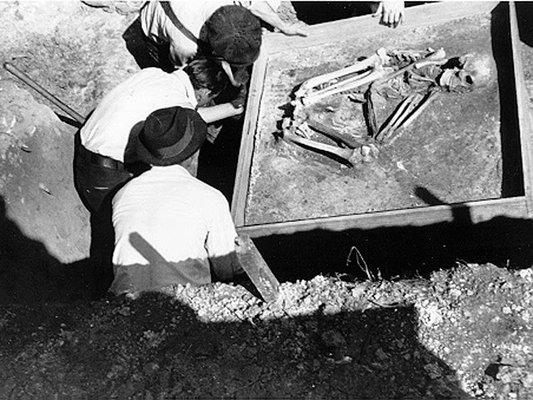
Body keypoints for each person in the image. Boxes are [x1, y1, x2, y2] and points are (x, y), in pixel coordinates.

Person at [74, 58, 240, 297]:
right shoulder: (210, 198)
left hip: (87, 150)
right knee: (111, 233)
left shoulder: (153, 74)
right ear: (203, 91)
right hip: (106, 173)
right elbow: (228, 269)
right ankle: (99, 285)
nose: (208, 101)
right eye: (210, 97)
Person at [109, 106, 242, 297]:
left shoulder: (122, 194)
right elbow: (227, 269)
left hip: (124, 304)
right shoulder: (210, 197)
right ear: (192, 154)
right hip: (183, 304)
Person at [138, 1, 306, 84]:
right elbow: (182, 69)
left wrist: (284, 26)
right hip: (155, 31)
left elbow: (254, 2)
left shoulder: (230, 7)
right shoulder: (186, 45)